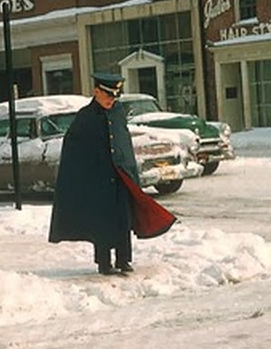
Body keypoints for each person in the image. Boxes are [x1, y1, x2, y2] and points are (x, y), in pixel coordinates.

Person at [49, 72, 176, 275]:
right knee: (102, 221)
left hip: (120, 176)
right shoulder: (85, 117)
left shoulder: (118, 112)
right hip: (98, 179)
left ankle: (124, 259)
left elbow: (123, 143)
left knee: (123, 218)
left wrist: (131, 171)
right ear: (96, 92)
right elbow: (73, 148)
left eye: (115, 96)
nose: (111, 99)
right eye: (108, 95)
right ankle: (104, 262)